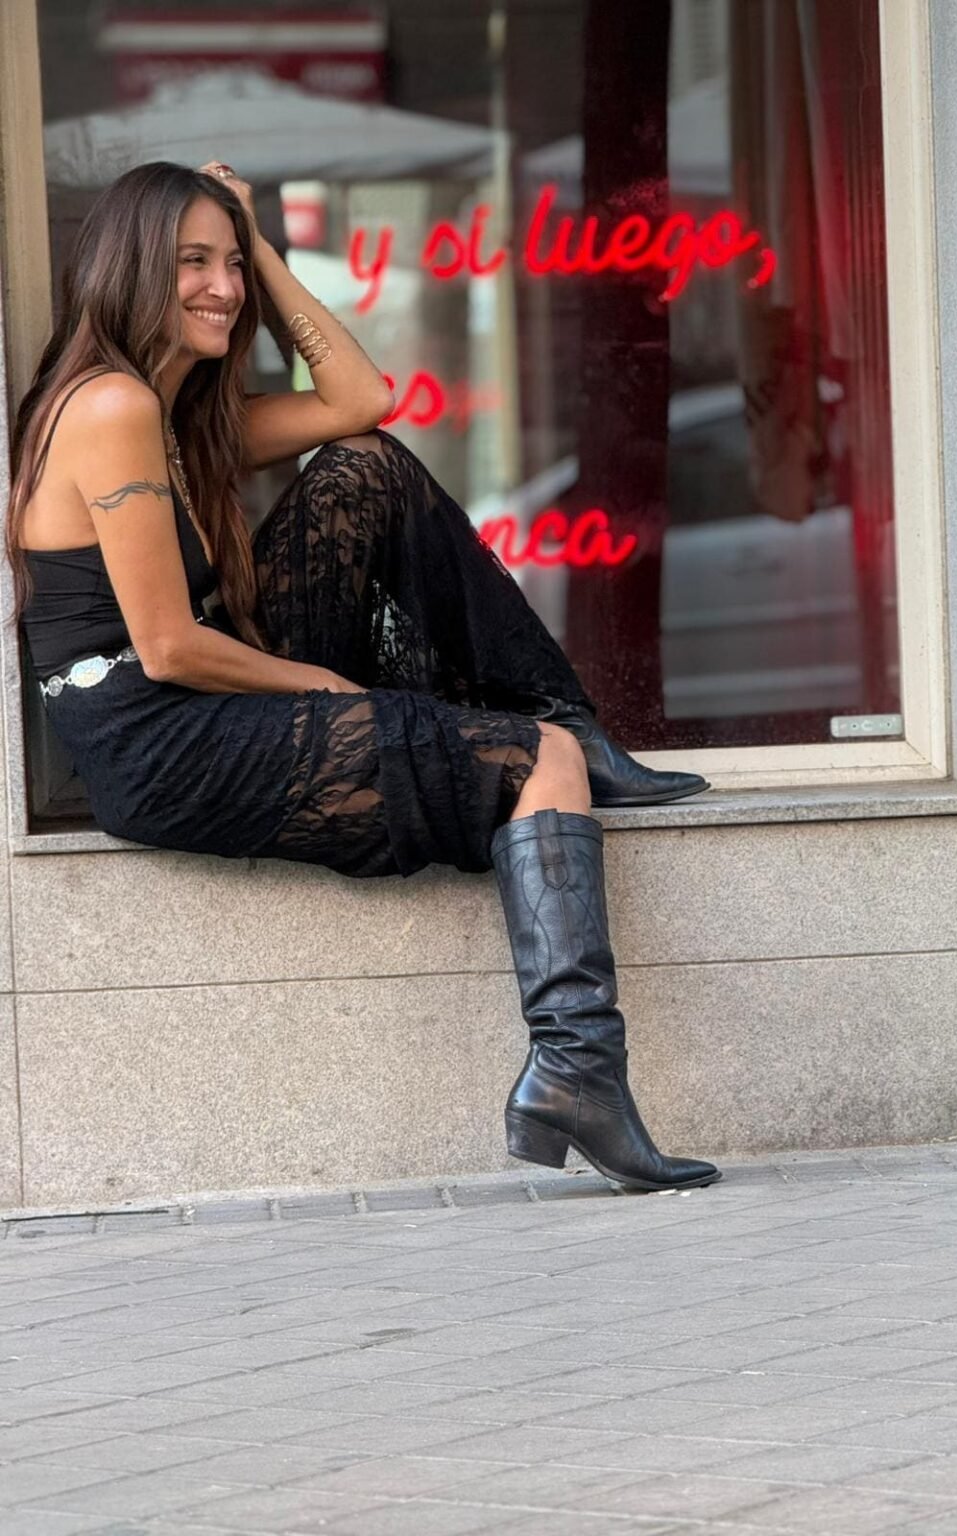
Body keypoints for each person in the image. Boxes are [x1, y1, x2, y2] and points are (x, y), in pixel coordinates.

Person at [7, 161, 719, 1193]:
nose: (221, 288)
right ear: (128, 273)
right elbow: (166, 648)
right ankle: (576, 1073)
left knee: (366, 464)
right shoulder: (111, 404)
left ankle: (561, 731)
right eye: (190, 265)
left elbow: (359, 398)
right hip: (159, 741)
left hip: (201, 696)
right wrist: (316, 685)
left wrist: (260, 247)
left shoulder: (177, 416)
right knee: (539, 764)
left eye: (230, 265)